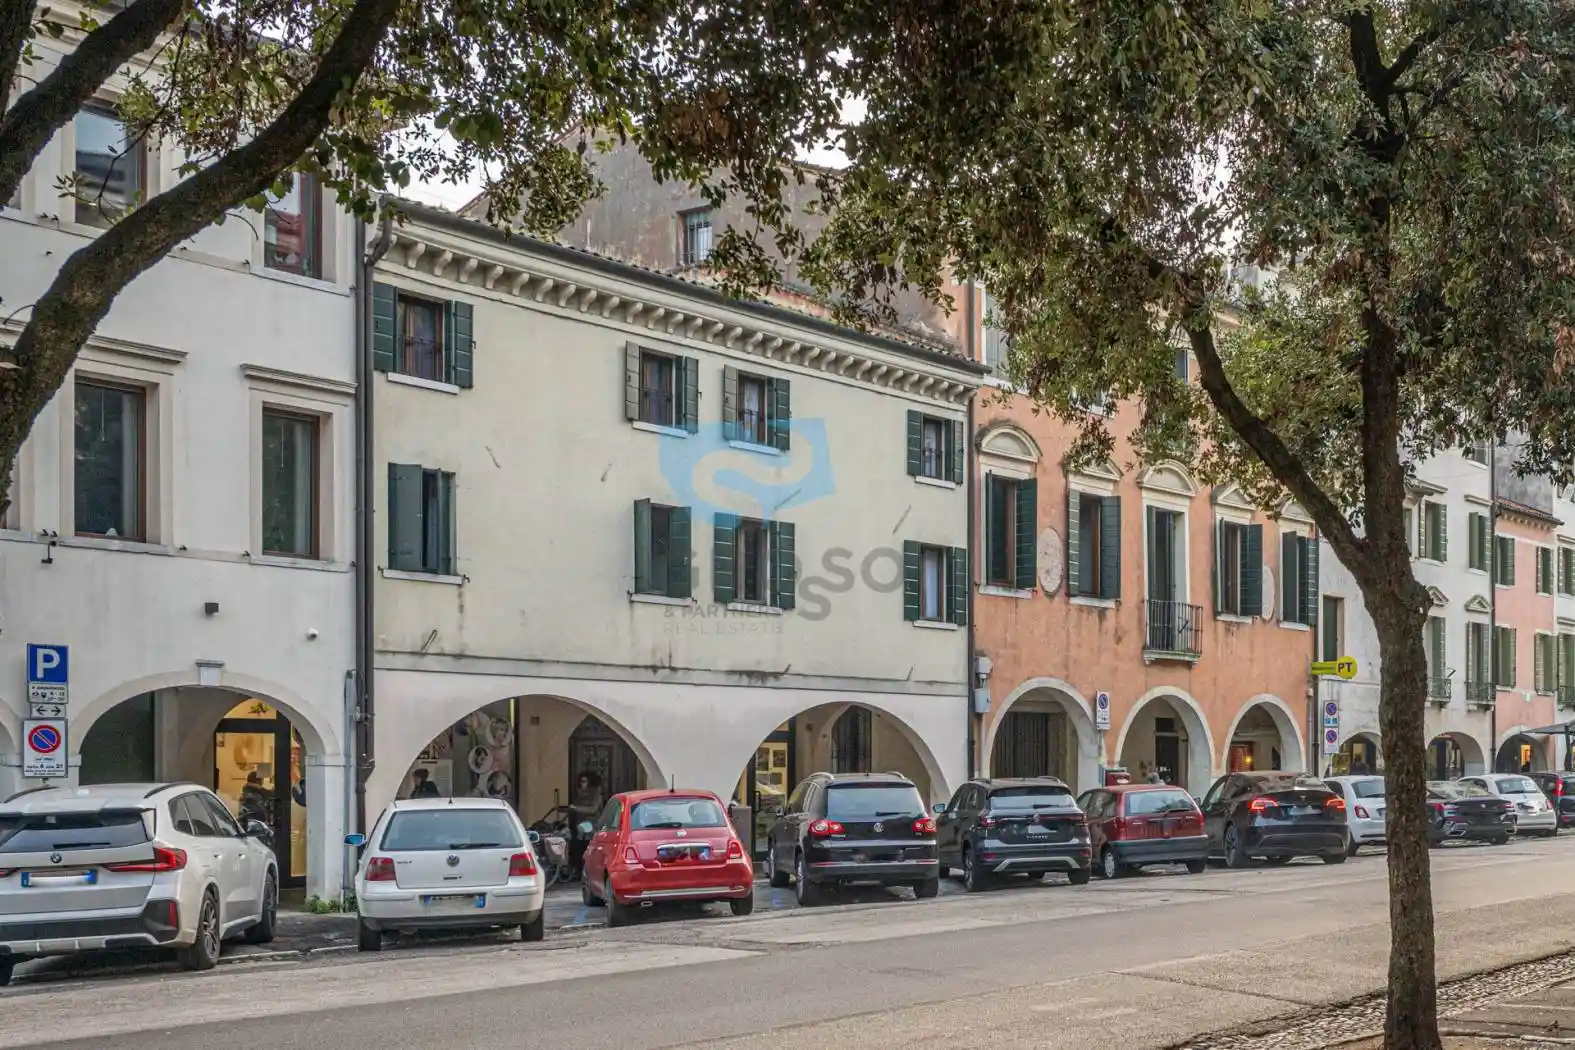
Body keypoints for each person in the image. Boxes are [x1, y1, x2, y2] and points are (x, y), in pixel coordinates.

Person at [566, 772, 604, 873]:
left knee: (580, 835)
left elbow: (593, 809)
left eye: (584, 782)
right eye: (581, 782)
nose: (582, 784)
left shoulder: (597, 796)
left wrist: (576, 808)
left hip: (592, 823)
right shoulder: (580, 795)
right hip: (579, 822)